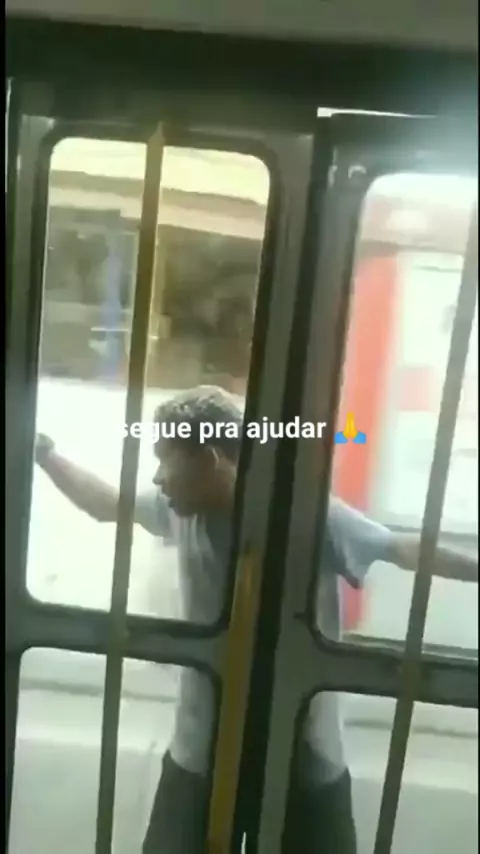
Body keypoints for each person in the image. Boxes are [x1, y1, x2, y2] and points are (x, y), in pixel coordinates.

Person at [34, 385, 478, 854]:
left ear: (210, 459)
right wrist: (43, 453)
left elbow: (402, 549)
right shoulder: (180, 508)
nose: (158, 478)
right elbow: (106, 504)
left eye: (166, 460)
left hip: (301, 755)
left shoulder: (307, 515)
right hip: (201, 748)